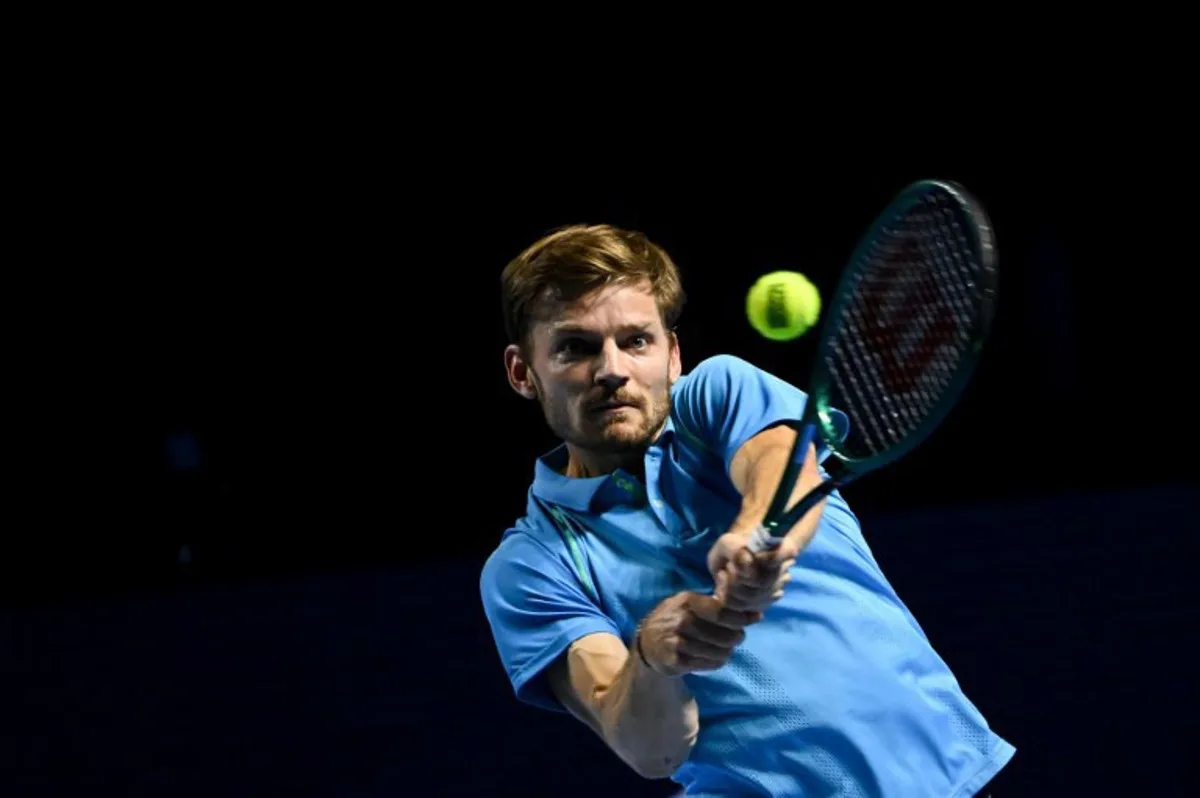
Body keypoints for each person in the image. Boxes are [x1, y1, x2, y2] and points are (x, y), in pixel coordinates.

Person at [479, 223, 1015, 796]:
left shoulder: (719, 393)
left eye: (636, 341)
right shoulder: (531, 566)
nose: (612, 369)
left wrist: (756, 537)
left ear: (673, 354)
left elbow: (783, 465)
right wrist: (653, 658)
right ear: (522, 372)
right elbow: (647, 749)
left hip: (945, 774)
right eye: (575, 347)